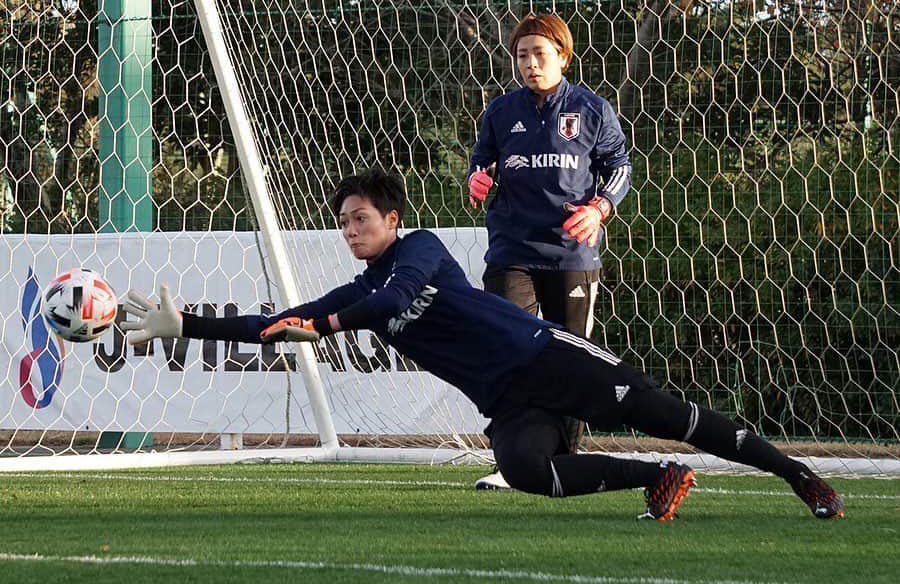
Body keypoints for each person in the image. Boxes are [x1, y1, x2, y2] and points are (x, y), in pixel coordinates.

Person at [122, 167, 844, 521]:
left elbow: (392, 304)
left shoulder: (421, 250)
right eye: (342, 221)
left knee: (677, 415)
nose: (350, 229)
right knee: (528, 468)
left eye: (360, 217)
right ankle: (654, 476)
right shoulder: (356, 290)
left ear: (392, 218)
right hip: (508, 397)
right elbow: (272, 323)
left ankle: (796, 474)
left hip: (548, 356)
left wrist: (331, 326)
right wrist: (186, 325)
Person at [466, 13, 632, 489]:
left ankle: (565, 457)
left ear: (563, 55)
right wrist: (479, 178)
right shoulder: (500, 112)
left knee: (571, 360)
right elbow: (483, 164)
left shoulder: (592, 109)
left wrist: (600, 208)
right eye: (522, 55)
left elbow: (619, 166)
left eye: (540, 53)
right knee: (507, 351)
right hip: (512, 252)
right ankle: (511, 461)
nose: (530, 63)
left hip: (570, 256)